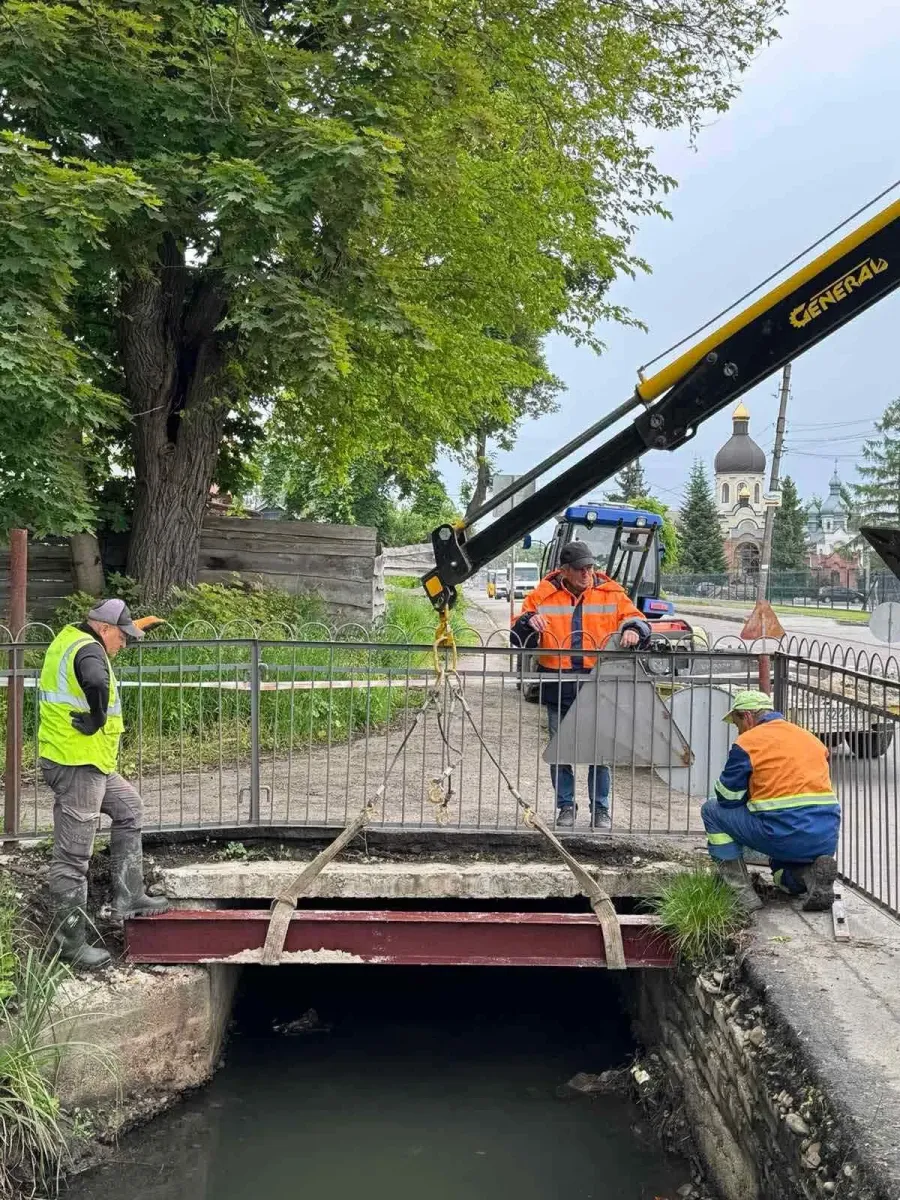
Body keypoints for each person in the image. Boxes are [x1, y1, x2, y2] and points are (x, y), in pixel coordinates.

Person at [39, 599, 169, 968]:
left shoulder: (74, 639)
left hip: (91, 762)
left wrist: (140, 623)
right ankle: (70, 945)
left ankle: (130, 896)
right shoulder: (89, 651)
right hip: (77, 763)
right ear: (104, 629)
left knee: (129, 809)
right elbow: (95, 680)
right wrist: (97, 717)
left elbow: (116, 637)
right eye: (122, 637)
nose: (124, 644)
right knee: (73, 858)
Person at [511, 541, 650, 830]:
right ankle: (565, 806)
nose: (587, 573)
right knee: (561, 751)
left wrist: (634, 630)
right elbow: (517, 633)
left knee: (600, 751)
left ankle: (600, 810)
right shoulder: (543, 594)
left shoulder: (611, 592)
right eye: (580, 569)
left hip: (598, 683)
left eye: (590, 567)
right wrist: (528, 621)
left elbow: (636, 618)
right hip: (557, 682)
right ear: (565, 571)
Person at [701, 690, 840, 914]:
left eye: (737, 724)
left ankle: (741, 895)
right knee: (781, 875)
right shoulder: (809, 738)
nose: (738, 730)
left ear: (747, 717)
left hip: (781, 834)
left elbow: (727, 798)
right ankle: (810, 876)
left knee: (711, 810)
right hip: (824, 838)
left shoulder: (748, 743)